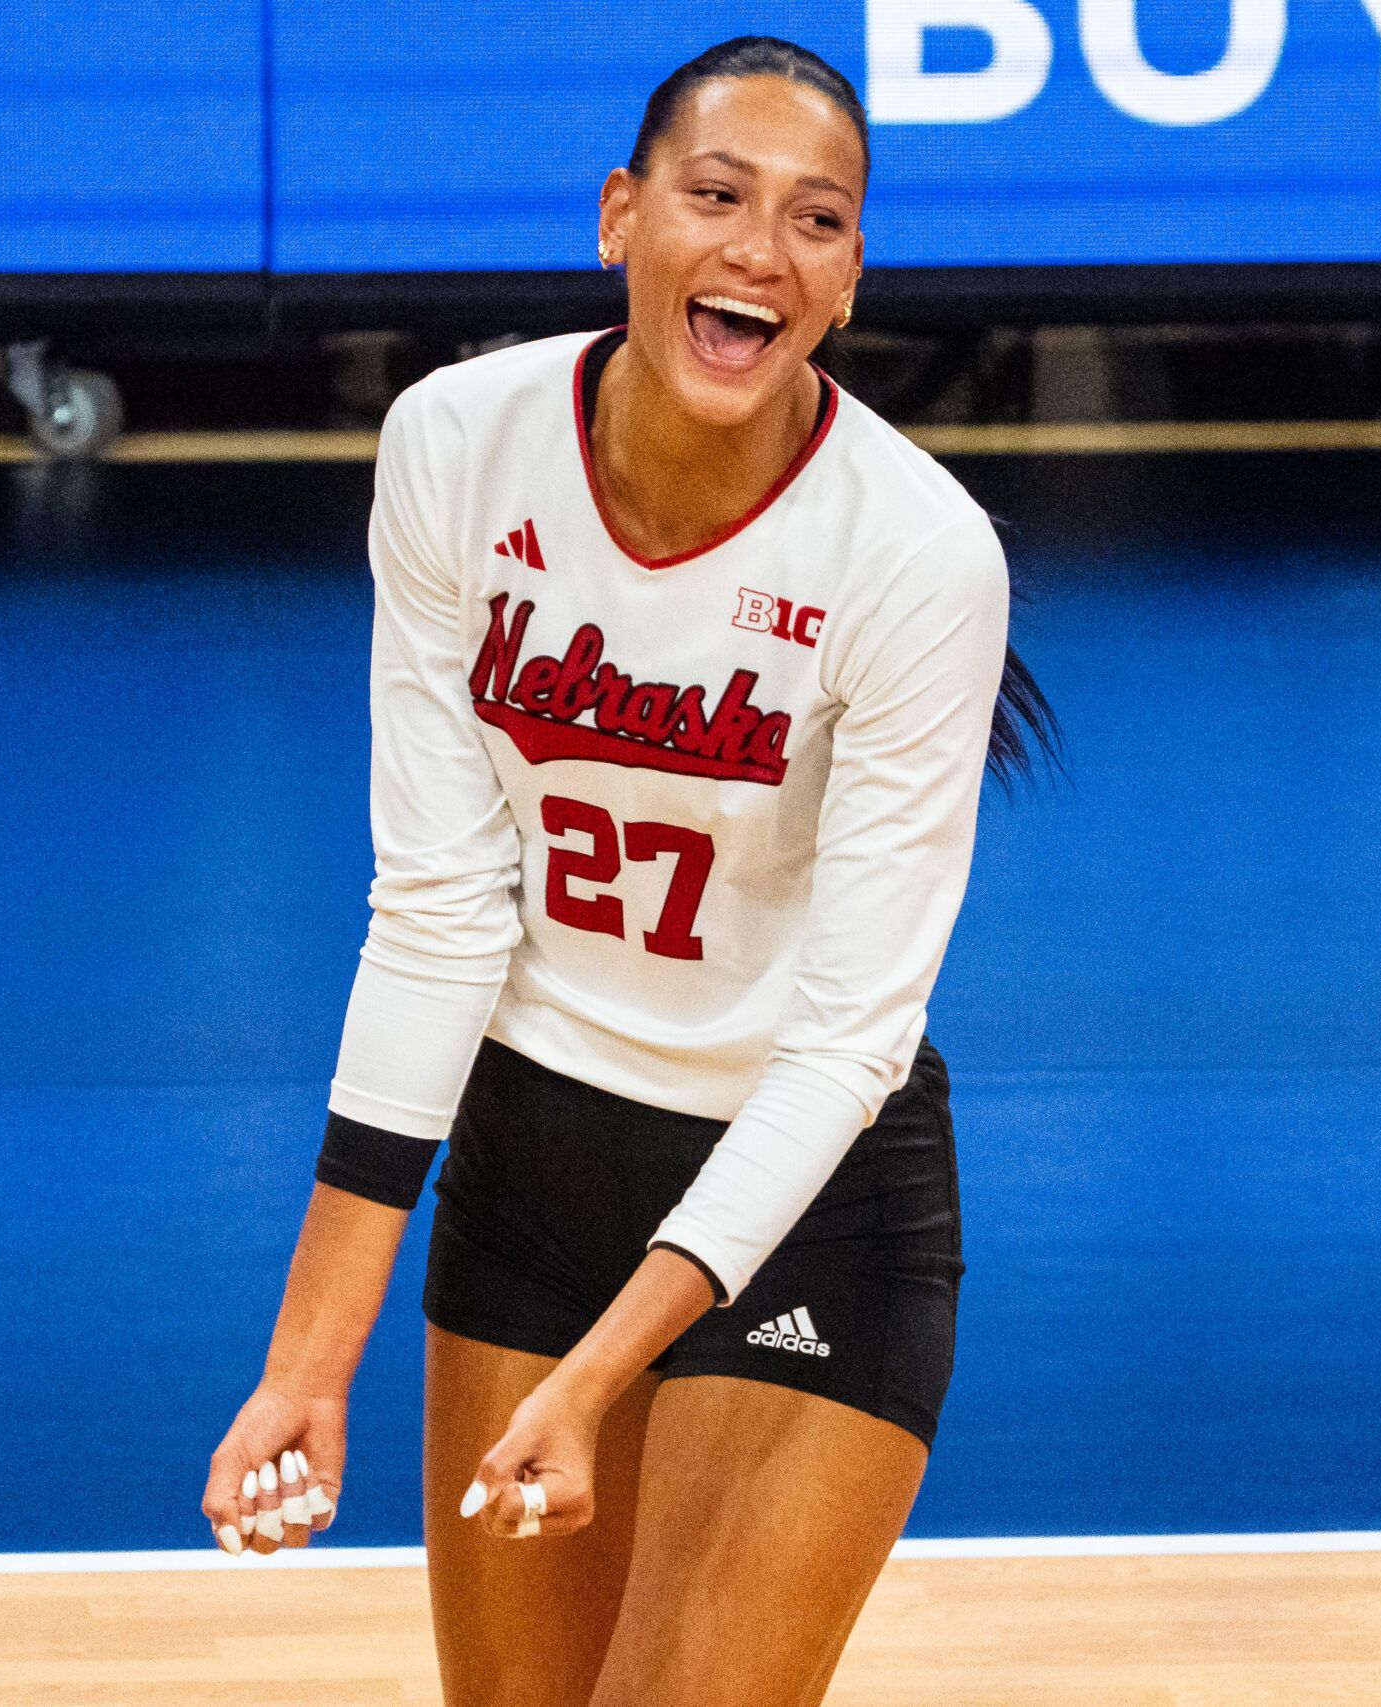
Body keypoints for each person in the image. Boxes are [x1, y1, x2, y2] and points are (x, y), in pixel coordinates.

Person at [203, 35, 1053, 1706]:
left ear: (852, 276)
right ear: (620, 216)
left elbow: (848, 1046)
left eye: (817, 221)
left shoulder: (918, 551)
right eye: (717, 196)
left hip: (810, 1194)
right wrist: (310, 1358)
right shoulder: (460, 443)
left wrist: (600, 1376)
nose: (760, 250)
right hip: (535, 1166)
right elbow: (438, 916)